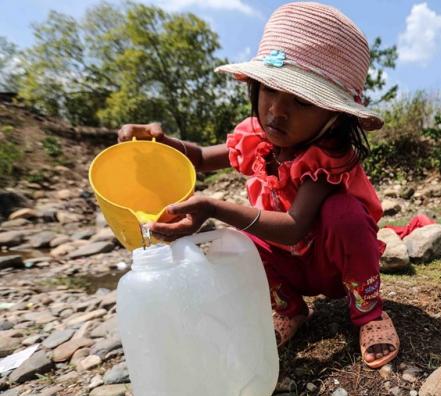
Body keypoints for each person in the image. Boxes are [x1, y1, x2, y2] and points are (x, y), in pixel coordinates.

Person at [117, 2, 399, 369]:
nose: (276, 112)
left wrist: (216, 208)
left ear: (334, 116)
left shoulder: (326, 155)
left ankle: (369, 313)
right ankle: (290, 309)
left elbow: (296, 226)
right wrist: (158, 141)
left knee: (342, 213)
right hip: (289, 266)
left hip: (334, 265)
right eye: (270, 91)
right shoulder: (255, 138)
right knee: (240, 240)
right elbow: (200, 158)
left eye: (300, 101)